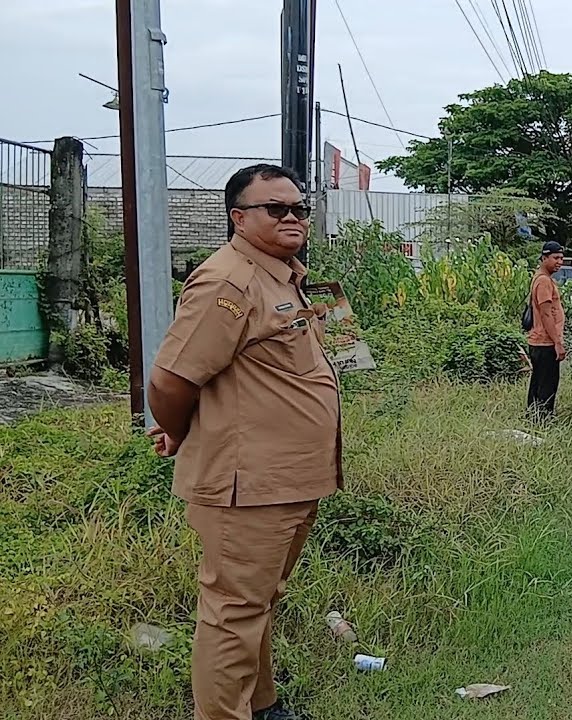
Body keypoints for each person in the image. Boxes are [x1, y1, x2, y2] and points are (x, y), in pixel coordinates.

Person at [146, 164, 340, 720]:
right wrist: (180, 431)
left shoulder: (282, 275)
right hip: (246, 485)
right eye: (274, 208)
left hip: (288, 479)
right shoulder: (228, 280)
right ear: (238, 217)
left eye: (299, 208)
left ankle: (261, 706)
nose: (291, 217)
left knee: (259, 604)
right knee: (233, 613)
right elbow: (171, 380)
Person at [527, 241, 567, 420]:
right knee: (547, 385)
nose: (560, 262)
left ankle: (534, 417)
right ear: (544, 258)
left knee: (538, 382)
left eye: (561, 258)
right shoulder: (543, 281)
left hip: (542, 341)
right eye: (556, 258)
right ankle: (542, 420)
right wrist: (557, 343)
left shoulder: (543, 278)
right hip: (545, 342)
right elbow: (546, 314)